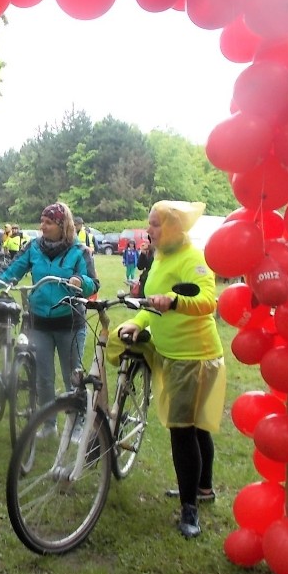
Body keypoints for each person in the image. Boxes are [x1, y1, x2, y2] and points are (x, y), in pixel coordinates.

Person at [115, 201, 225, 539]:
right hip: (171, 354)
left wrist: (175, 302)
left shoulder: (194, 258)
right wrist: (137, 319)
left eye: (156, 224)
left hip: (195, 357)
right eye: (150, 224)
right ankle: (203, 489)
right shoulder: (161, 257)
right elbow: (151, 304)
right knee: (196, 427)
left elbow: (209, 301)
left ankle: (190, 508)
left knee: (183, 430)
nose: (150, 230)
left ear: (175, 227)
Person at [0, 203, 98, 436]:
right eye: (42, 221)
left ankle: (77, 423)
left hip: (70, 323)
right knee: (43, 377)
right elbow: (12, 270)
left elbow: (93, 282)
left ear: (63, 225)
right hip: (40, 322)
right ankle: (49, 424)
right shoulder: (34, 247)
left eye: (48, 222)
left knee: (72, 377)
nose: (42, 226)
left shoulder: (79, 251)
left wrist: (79, 281)